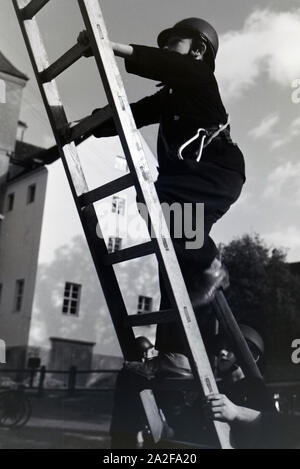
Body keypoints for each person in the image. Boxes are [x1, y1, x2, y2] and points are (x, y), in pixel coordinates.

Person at [79, 17, 246, 367]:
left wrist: (107, 46)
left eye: (174, 44)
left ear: (197, 51)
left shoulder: (200, 78)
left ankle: (211, 264)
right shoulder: (169, 98)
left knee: (157, 201)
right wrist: (88, 125)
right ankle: (177, 354)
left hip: (216, 172)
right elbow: (131, 114)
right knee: (173, 256)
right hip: (193, 180)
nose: (166, 51)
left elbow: (169, 64)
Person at [202, 325, 276, 448]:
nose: (222, 352)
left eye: (230, 348)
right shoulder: (216, 388)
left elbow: (272, 430)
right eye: (220, 348)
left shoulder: (257, 389)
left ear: (253, 356)